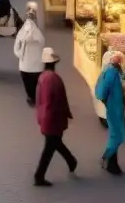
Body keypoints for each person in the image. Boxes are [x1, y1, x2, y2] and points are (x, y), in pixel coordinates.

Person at [34, 47, 77, 186]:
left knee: (54, 143)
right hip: (53, 118)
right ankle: (39, 176)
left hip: (45, 118)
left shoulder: (42, 77)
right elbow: (59, 101)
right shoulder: (54, 79)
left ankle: (71, 160)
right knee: (50, 148)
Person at [95, 50, 125, 175]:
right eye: (117, 59)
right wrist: (107, 101)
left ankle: (111, 162)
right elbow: (102, 92)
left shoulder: (113, 72)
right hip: (114, 108)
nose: (119, 62)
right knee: (117, 135)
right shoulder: (111, 73)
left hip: (116, 107)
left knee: (116, 135)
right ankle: (107, 160)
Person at [13, 2, 45, 105]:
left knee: (27, 82)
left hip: (25, 65)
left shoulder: (22, 33)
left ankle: (30, 96)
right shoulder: (38, 34)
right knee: (35, 82)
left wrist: (20, 55)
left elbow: (16, 48)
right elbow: (42, 44)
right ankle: (34, 96)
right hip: (37, 65)